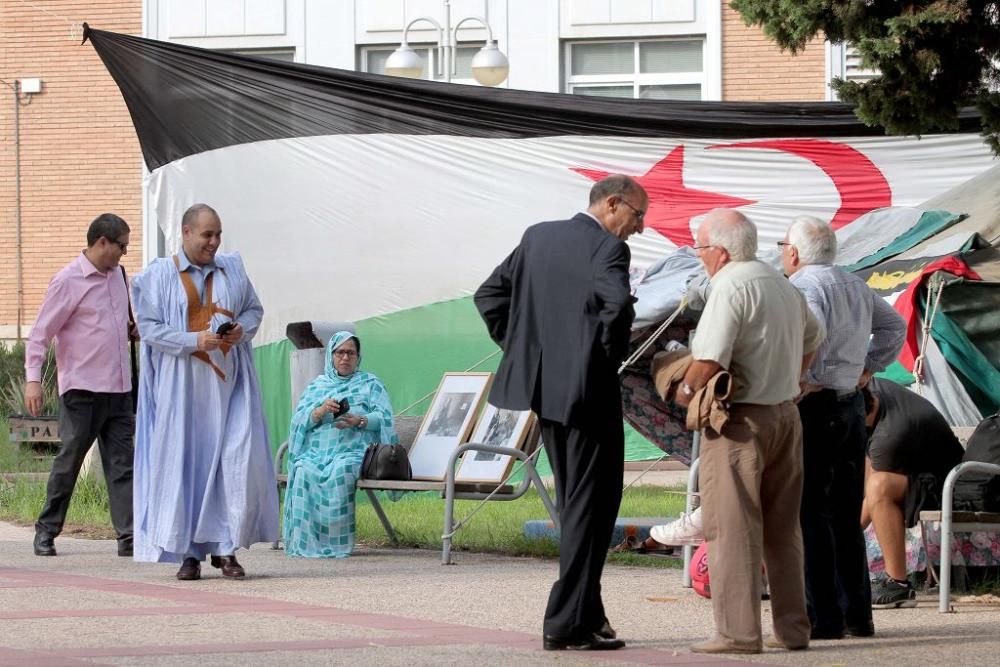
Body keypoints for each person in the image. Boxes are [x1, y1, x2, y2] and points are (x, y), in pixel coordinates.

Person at [474, 174, 645, 651]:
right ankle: (563, 622)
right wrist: (599, 361)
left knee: (577, 507)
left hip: (546, 395)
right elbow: (616, 310)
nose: (640, 228)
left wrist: (527, 351)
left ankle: (588, 617)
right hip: (589, 397)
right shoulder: (608, 250)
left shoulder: (538, 235)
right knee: (592, 508)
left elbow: (488, 296)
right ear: (613, 204)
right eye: (638, 215)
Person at [675, 208, 824, 655]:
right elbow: (814, 338)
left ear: (719, 252)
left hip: (742, 422)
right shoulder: (782, 282)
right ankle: (793, 631)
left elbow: (710, 358)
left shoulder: (729, 284)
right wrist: (795, 381)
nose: (699, 256)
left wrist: (684, 391)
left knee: (732, 528)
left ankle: (737, 634)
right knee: (783, 529)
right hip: (785, 416)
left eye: (700, 248)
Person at [131, 203, 278, 580]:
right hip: (181, 392)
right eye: (207, 235)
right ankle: (189, 553)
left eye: (218, 235)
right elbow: (149, 329)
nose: (214, 242)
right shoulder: (158, 276)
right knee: (186, 467)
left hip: (228, 388)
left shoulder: (233, 269)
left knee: (233, 462)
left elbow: (253, 311)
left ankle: (226, 549)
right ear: (186, 233)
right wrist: (193, 339)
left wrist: (240, 330)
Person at [781, 216, 906, 639]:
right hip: (851, 407)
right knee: (845, 513)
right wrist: (867, 368)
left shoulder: (801, 285)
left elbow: (810, 333)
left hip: (814, 404)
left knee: (810, 513)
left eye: (784, 245)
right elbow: (894, 327)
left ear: (794, 252)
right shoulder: (854, 283)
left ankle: (825, 618)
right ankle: (858, 615)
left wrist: (800, 376)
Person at [26, 213, 136, 558]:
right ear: (102, 242)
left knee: (123, 465)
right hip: (82, 390)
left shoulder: (119, 275)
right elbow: (40, 335)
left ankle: (129, 537)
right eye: (122, 247)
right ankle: (46, 531)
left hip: (119, 389)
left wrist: (133, 330)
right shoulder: (67, 280)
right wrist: (33, 381)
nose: (124, 253)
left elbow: (125, 321)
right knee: (69, 461)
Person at [283, 331, 396, 557]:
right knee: (303, 470)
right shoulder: (318, 385)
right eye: (340, 352)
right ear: (331, 356)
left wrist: (360, 420)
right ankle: (307, 543)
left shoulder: (370, 384)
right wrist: (320, 411)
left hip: (353, 451)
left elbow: (385, 418)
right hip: (316, 452)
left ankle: (335, 545)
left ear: (358, 357)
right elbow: (299, 420)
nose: (345, 358)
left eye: (350, 353)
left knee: (341, 471)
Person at [861, 378, 964, 607]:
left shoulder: (888, 438)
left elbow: (871, 492)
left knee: (880, 487)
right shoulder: (875, 387)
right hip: (924, 473)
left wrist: (840, 536)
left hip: (948, 486)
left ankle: (897, 584)